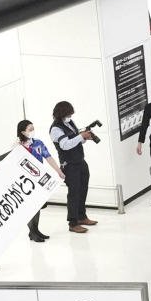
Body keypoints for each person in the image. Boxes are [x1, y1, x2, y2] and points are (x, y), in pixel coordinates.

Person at [49, 100, 96, 233]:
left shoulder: (70, 123)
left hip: (80, 161)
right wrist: (81, 136)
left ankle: (82, 216)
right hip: (69, 165)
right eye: (68, 114)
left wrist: (85, 137)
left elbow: (75, 140)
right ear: (62, 113)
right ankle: (73, 222)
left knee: (83, 189)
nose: (70, 116)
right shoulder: (55, 129)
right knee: (74, 193)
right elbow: (65, 145)